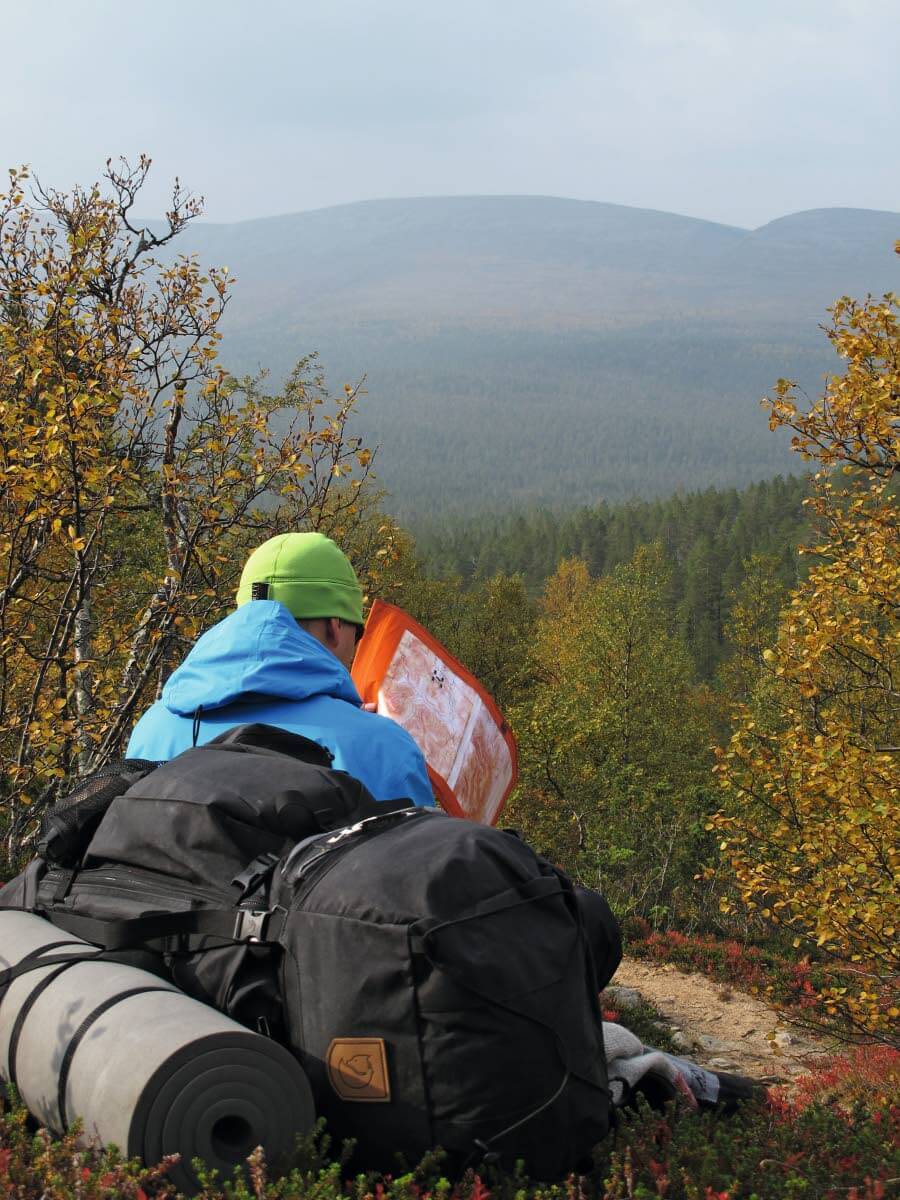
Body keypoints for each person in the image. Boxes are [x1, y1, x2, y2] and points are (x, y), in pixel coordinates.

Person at [126, 532, 435, 807]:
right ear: (335, 626)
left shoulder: (152, 729)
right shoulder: (383, 748)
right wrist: (373, 735)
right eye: (358, 634)